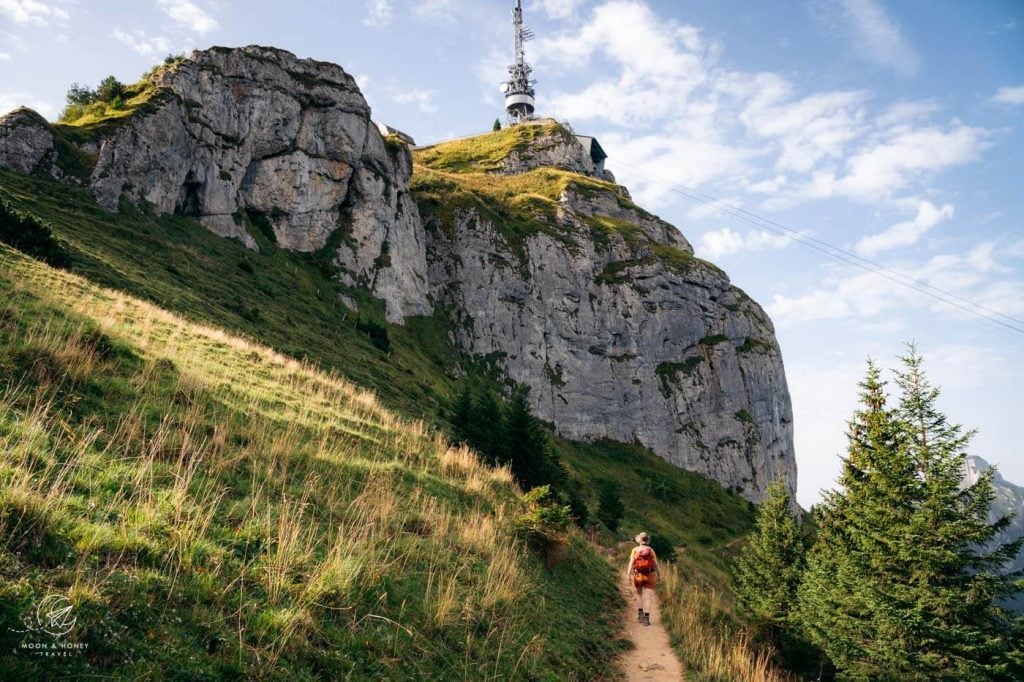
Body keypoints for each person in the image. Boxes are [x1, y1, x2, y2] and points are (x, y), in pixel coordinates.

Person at [626, 532, 659, 626]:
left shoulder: (635, 550)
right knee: (648, 597)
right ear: (647, 540)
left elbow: (631, 563)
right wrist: (659, 575)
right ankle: (647, 618)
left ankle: (640, 615)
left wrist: (628, 575)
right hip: (649, 575)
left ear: (639, 540)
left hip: (638, 575)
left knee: (639, 594)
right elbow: (656, 564)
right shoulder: (651, 550)